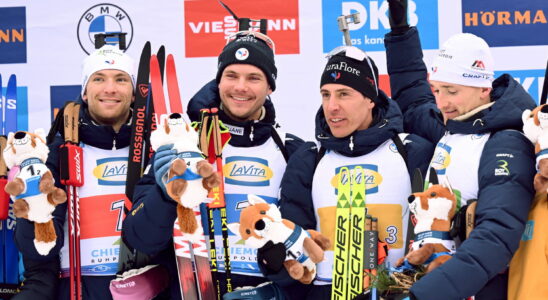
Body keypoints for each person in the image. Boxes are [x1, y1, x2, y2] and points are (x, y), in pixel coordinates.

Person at [123, 31, 304, 299]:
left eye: (253, 78)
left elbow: (305, 256)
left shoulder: (293, 152)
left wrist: (276, 292)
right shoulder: (183, 144)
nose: (240, 87)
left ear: (270, 87)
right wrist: (163, 196)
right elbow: (139, 238)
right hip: (192, 288)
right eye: (231, 76)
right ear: (218, 82)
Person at [383, 0, 537, 299]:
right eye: (437, 90)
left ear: (483, 88)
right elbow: (413, 97)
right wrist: (401, 31)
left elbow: (495, 238)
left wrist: (424, 294)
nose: (441, 103)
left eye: (452, 91)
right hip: (435, 279)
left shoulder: (506, 142)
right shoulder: (454, 124)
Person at [268, 45, 434, 299]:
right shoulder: (310, 157)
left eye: (343, 94)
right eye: (326, 94)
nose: (332, 106)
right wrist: (274, 258)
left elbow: (435, 236)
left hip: (397, 292)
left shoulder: (411, 151)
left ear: (370, 99)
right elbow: (294, 256)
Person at [13, 44, 138, 300]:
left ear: (134, 92)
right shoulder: (57, 153)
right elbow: (39, 254)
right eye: (99, 78)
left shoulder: (152, 150)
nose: (110, 88)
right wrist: (36, 209)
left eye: (121, 79)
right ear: (84, 90)